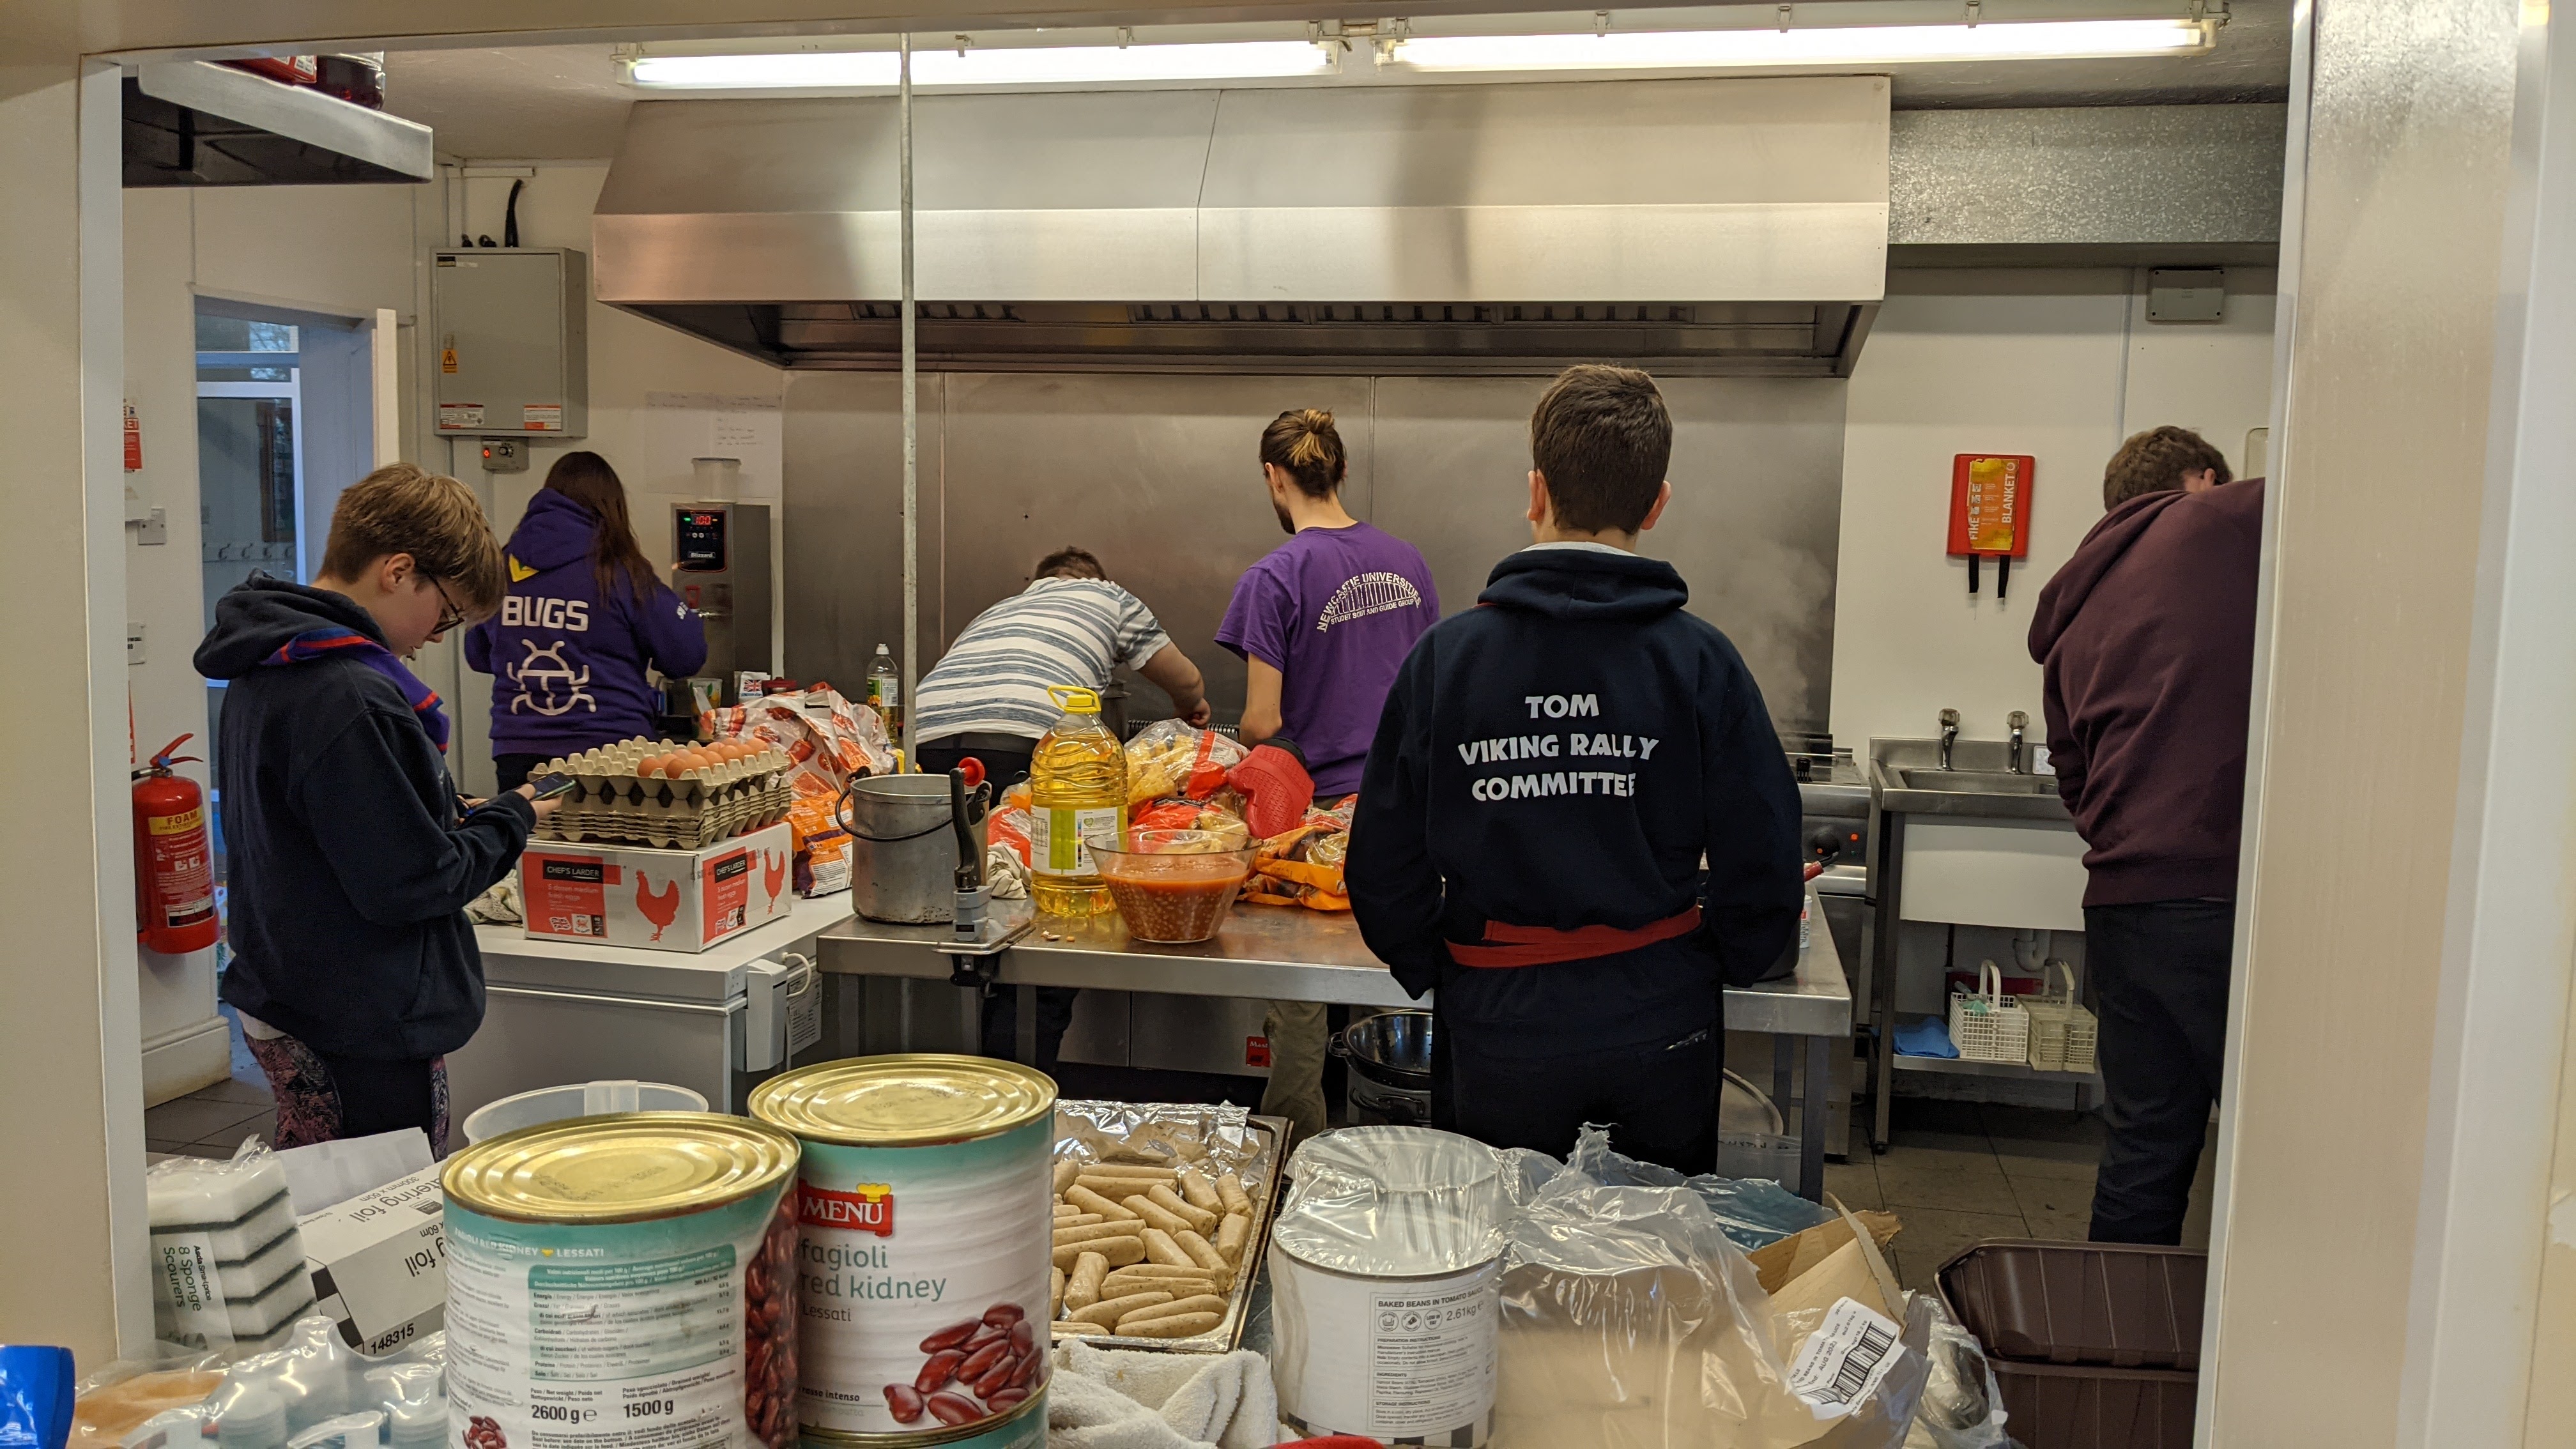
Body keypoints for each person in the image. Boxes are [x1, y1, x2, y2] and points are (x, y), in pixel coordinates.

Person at [1347, 365, 1801, 1172]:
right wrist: (1710, 965)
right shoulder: (1703, 661)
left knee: (1500, 1261)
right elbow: (1763, 854)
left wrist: (1437, 966)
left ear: (1535, 492)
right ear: (1657, 504)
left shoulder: (1446, 661)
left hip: (1497, 1020)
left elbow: (1381, 865)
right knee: (1656, 1265)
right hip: (1663, 1016)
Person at [194, 464, 558, 1154]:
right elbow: (413, 881)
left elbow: (329, 828)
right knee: (376, 1219)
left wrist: (440, 809)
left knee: (321, 1195)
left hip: (291, 985)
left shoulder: (268, 659)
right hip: (353, 1014)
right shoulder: (350, 695)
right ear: (398, 570)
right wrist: (513, 818)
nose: (436, 636)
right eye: (446, 612)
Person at [2028, 426, 2262, 1244]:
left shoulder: (2072, 616)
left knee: (2144, 1147)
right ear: (2202, 479)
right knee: (2279, 1149)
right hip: (2225, 895)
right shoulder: (2218, 522)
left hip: (2127, 903)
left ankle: (2115, 1357)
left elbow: (2073, 778)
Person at [1217, 408, 1441, 1144]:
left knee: (1304, 997)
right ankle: (1406, 1157)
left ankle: (1297, 1161)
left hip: (1318, 828)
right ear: (1342, 471)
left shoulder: (1276, 575)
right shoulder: (1409, 563)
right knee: (1396, 983)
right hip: (1409, 819)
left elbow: (1259, 721)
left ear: (1274, 478)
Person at [910, 546, 1209, 1071]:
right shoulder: (1110, 598)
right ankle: (1019, 1074)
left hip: (927, 744)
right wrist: (1191, 709)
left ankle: (946, 1064)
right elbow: (1185, 680)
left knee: (962, 903)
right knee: (1045, 907)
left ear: (1038, 582)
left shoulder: (998, 610)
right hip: (1028, 744)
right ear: (1094, 579)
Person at [465, 451, 706, 790]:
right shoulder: (619, 571)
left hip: (520, 750)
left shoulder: (503, 567)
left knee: (535, 844)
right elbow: (686, 655)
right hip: (611, 752)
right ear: (612, 507)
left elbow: (478, 655)